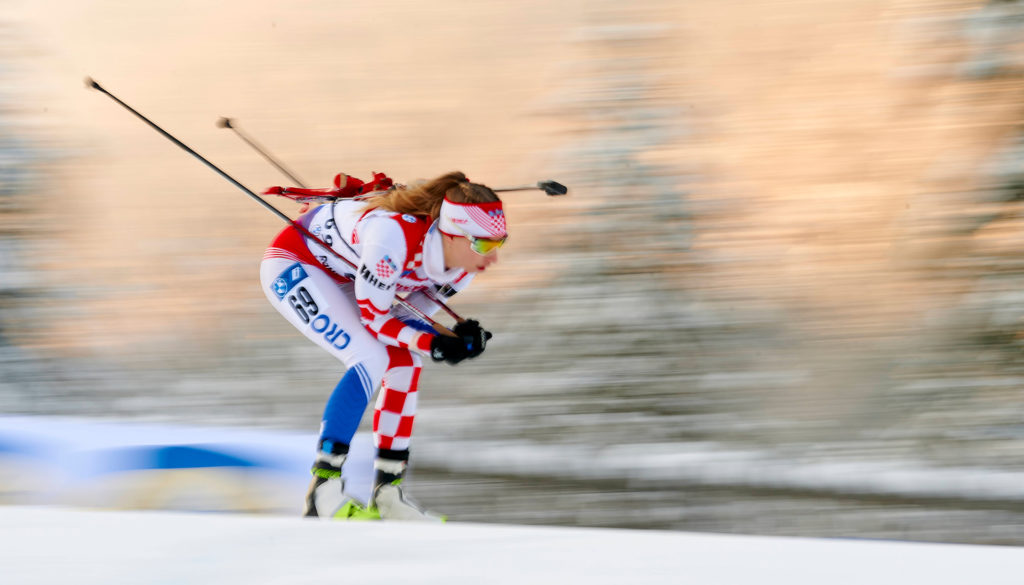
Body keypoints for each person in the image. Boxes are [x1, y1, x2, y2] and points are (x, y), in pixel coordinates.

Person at [259, 170, 504, 521]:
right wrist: (435, 344)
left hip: (346, 278)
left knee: (405, 364)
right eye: (483, 243)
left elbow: (407, 320)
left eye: (499, 243)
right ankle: (322, 491)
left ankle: (388, 494)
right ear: (452, 234)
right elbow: (377, 319)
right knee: (369, 357)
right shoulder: (392, 237)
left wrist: (454, 340)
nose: (492, 256)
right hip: (296, 263)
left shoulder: (464, 267)